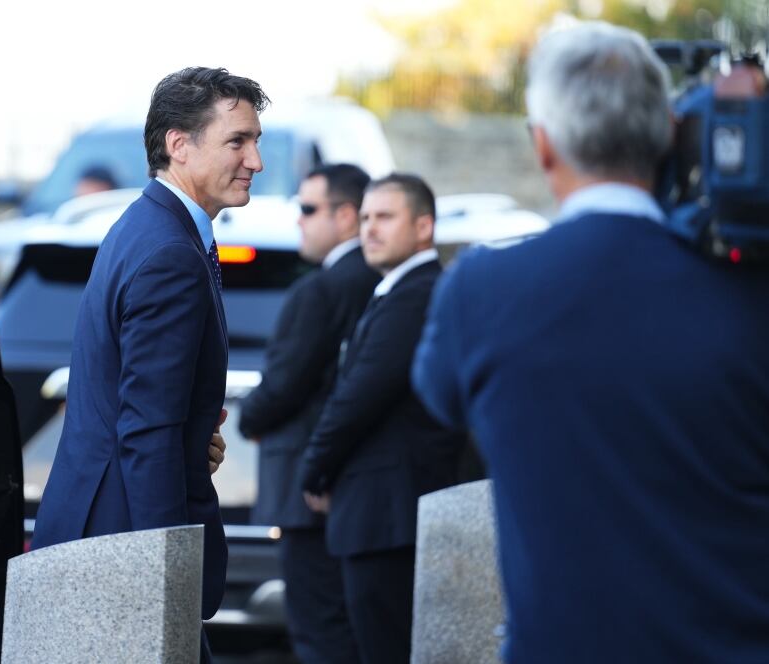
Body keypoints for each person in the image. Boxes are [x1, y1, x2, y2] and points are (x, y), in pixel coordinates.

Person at [411, 21, 769, 663]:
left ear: (542, 144)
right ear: (667, 132)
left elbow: (440, 399)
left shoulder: (481, 291)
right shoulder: (748, 290)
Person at [30, 66, 268, 660]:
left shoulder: (148, 226)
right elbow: (146, 431)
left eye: (255, 141)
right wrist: (166, 583)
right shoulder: (168, 251)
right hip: (126, 550)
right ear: (179, 144)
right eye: (237, 141)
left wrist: (193, 439)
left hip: (107, 532)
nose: (256, 160)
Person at [299, 173, 464, 664]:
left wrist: (314, 469)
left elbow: (359, 396)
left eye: (385, 217)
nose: (370, 229)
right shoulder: (397, 290)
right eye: (366, 217)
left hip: (389, 514)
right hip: (381, 512)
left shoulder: (416, 294)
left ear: (424, 226)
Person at [237, 163, 377, 663]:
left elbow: (285, 383)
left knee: (320, 631)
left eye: (308, 209)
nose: (298, 220)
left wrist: (247, 420)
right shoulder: (379, 281)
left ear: (346, 217)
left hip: (311, 485)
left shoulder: (323, 289)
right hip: (354, 488)